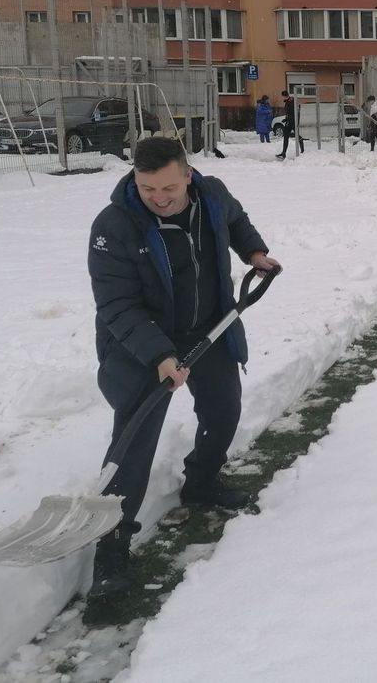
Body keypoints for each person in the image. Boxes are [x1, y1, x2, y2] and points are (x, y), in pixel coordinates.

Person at [86, 137, 281, 599]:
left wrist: (253, 252)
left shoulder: (211, 194)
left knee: (223, 409)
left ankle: (202, 481)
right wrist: (159, 355)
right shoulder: (114, 225)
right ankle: (111, 550)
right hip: (141, 340)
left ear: (188, 175)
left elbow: (235, 220)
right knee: (135, 436)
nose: (159, 197)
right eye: (148, 187)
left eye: (169, 187)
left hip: (206, 327)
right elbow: (116, 304)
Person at [276, 90, 303, 159]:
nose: (283, 98)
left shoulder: (291, 102)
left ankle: (302, 150)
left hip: (292, 122)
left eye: (283, 96)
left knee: (297, 135)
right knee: (286, 136)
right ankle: (283, 153)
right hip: (290, 121)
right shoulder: (289, 101)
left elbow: (293, 113)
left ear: (284, 96)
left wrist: (287, 119)